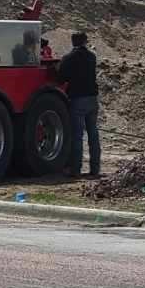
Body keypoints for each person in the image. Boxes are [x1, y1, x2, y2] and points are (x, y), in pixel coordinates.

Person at [57, 31, 101, 178]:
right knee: (93, 134)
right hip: (92, 98)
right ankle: (95, 169)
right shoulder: (92, 57)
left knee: (77, 136)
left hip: (77, 98)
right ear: (85, 41)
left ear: (73, 41)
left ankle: (75, 169)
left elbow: (61, 77)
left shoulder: (69, 58)